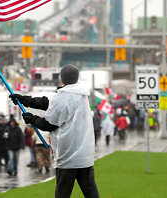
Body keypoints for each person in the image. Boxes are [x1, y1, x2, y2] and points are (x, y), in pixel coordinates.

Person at [9, 64, 100, 198]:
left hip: (68, 155)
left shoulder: (65, 97)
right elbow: (49, 103)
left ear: (62, 78)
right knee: (90, 192)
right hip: (84, 155)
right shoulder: (80, 93)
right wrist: (25, 100)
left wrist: (31, 119)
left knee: (62, 193)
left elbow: (48, 124)